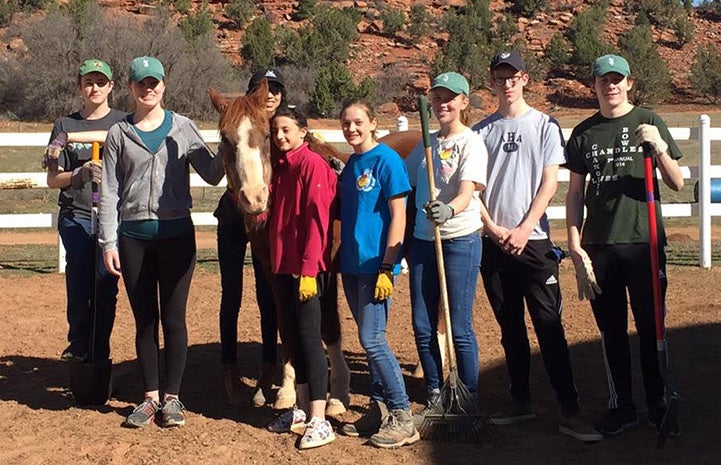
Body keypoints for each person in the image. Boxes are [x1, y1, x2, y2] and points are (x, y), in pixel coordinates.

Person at [472, 51, 602, 442]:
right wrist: (494, 229)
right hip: (494, 243)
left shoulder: (545, 125)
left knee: (549, 326)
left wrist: (526, 228)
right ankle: (520, 400)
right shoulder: (481, 132)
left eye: (513, 76)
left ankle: (570, 409)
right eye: (499, 77)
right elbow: (474, 188)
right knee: (509, 326)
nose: (507, 83)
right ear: (492, 82)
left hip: (535, 243)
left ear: (524, 79)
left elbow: (550, 182)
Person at [98, 56, 224, 428]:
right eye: (141, 83)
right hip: (133, 237)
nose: (148, 88)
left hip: (176, 237)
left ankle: (173, 398)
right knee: (144, 320)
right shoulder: (120, 133)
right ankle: (149, 398)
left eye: (154, 82)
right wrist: (108, 242)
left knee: (173, 318)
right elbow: (108, 190)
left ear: (164, 86)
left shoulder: (184, 128)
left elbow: (213, 174)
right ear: (131, 88)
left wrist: (232, 143)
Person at [565, 54, 684, 436]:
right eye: (603, 80)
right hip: (599, 245)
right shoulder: (584, 133)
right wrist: (574, 246)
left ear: (629, 83)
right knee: (611, 330)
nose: (610, 86)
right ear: (594, 85)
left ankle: (659, 402)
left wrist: (660, 147)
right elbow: (574, 194)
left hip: (643, 242)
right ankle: (623, 406)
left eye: (617, 79)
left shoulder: (648, 120)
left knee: (651, 327)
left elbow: (677, 183)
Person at [336, 100, 419, 449]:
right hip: (351, 266)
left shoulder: (387, 161)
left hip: (375, 266)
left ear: (373, 124)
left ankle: (402, 415)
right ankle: (379, 407)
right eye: (346, 123)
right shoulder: (352, 164)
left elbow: (398, 215)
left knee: (373, 339)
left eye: (358, 122)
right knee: (366, 339)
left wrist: (389, 263)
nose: (351, 128)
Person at [404, 72, 487, 410]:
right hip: (423, 241)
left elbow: (468, 193)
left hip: (460, 241)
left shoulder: (471, 143)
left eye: (450, 98)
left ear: (463, 102)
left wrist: (448, 209)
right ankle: (436, 391)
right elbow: (400, 177)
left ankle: (467, 395)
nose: (442, 104)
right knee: (422, 324)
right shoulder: (428, 144)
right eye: (437, 98)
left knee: (459, 325)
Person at [44, 59, 127, 363]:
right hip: (76, 214)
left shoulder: (124, 122)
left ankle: (99, 351)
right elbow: (53, 179)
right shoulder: (65, 125)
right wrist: (78, 175)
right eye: (88, 82)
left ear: (111, 87)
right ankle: (78, 342)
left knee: (106, 282)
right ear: (79, 86)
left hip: (113, 216)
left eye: (100, 82)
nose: (95, 88)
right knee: (79, 279)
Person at [264, 108, 337, 449]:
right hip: (282, 266)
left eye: (287, 130)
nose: (280, 136)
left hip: (306, 269)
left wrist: (309, 270)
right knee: (292, 340)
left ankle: (320, 419)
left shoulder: (312, 166)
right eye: (276, 130)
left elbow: (317, 222)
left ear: (303, 132)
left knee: (310, 340)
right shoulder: (281, 169)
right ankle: (301, 410)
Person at [214, 69, 284, 406]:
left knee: (267, 291)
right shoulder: (239, 118)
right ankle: (229, 367)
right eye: (262, 90)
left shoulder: (281, 126)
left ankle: (270, 364)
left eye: (274, 90)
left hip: (266, 215)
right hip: (232, 211)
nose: (269, 95)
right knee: (231, 292)